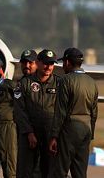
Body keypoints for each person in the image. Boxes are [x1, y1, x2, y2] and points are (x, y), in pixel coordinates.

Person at [48, 47, 98, 178]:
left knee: (59, 171)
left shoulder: (66, 80)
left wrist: (54, 136)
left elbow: (61, 111)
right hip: (86, 130)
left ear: (68, 62)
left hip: (70, 129)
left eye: (64, 61)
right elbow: (94, 112)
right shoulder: (92, 82)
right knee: (80, 172)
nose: (63, 65)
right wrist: (91, 133)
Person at [14, 49, 60, 178]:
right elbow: (19, 110)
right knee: (25, 171)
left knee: (50, 170)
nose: (48, 67)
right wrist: (29, 133)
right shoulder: (25, 83)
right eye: (45, 63)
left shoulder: (60, 84)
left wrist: (55, 136)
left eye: (51, 64)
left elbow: (62, 111)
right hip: (29, 134)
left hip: (50, 135)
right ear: (38, 63)